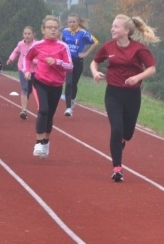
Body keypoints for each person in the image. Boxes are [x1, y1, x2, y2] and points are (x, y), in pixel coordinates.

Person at [90, 14, 158, 182]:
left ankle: (121, 141)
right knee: (117, 128)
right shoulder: (108, 47)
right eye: (112, 26)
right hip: (113, 94)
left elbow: (152, 69)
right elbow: (95, 62)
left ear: (126, 30)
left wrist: (137, 77)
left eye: (116, 26)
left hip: (132, 95)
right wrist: (95, 72)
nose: (112, 29)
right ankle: (117, 168)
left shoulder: (138, 49)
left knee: (127, 133)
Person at [25, 16, 73, 159]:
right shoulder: (37, 45)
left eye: (55, 28)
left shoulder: (63, 47)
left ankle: (46, 142)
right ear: (43, 30)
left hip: (56, 85)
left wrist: (57, 62)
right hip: (40, 81)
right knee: (43, 110)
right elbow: (27, 58)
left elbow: (70, 66)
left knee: (50, 114)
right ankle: (39, 143)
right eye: (50, 27)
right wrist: (27, 71)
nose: (53, 30)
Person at [61, 13, 99, 117]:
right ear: (67, 23)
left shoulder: (83, 33)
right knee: (68, 83)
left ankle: (73, 99)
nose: (72, 24)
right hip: (68, 61)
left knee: (73, 84)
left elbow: (95, 42)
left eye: (74, 22)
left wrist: (86, 53)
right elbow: (61, 42)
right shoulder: (64, 31)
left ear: (78, 22)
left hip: (78, 61)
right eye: (70, 22)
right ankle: (68, 107)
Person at [6, 26, 37, 119]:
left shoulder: (36, 45)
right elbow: (16, 51)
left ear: (33, 35)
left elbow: (40, 57)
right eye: (25, 34)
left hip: (34, 70)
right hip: (22, 69)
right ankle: (24, 110)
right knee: (24, 88)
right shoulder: (20, 44)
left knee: (30, 90)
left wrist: (34, 61)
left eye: (29, 34)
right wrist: (11, 59)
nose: (27, 36)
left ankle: (27, 100)